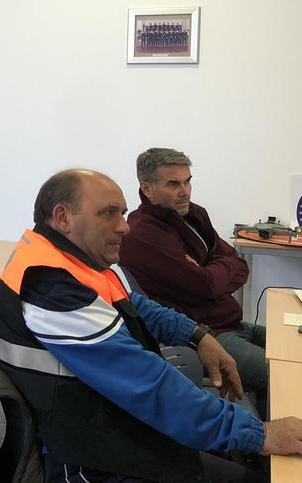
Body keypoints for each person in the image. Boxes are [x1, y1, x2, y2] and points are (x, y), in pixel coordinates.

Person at [0, 169, 302, 483]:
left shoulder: (73, 260)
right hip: (88, 456)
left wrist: (198, 336)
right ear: (63, 217)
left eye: (122, 212)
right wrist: (261, 435)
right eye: (109, 214)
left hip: (111, 421)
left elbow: (136, 306)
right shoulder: (52, 289)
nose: (124, 225)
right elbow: (149, 385)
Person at [120, 147, 267, 412]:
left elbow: (240, 264)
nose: (184, 191)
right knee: (290, 374)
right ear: (147, 188)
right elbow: (207, 285)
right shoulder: (143, 233)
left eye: (187, 181)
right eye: (173, 184)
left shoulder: (193, 216)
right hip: (210, 335)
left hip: (232, 323)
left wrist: (211, 269)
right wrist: (215, 270)